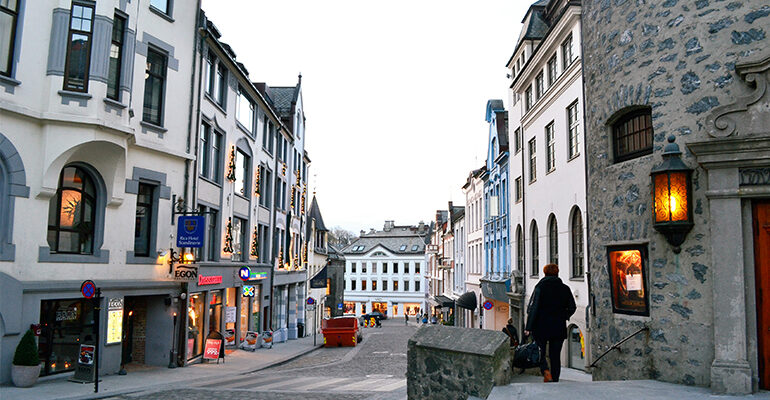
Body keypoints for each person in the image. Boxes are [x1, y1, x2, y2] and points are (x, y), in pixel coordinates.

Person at [524, 263, 576, 383]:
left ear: (545, 273)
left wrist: (528, 327)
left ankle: (545, 371)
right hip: (558, 327)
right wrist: (564, 316)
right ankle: (555, 378)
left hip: (540, 326)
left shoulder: (540, 287)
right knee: (555, 355)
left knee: (540, 352)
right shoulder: (565, 288)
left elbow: (533, 308)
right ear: (557, 273)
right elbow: (572, 307)